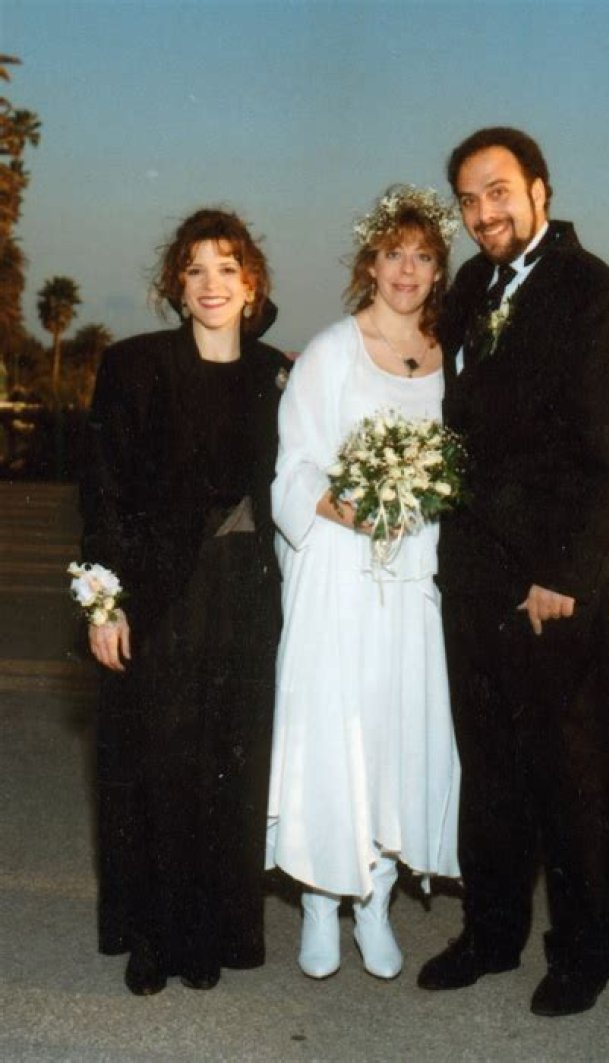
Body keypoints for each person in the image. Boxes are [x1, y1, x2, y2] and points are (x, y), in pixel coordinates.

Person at [417, 128, 609, 1016]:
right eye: (469, 200)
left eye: (499, 191)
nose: (484, 213)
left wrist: (563, 572)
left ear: (540, 190)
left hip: (549, 580)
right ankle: (492, 932)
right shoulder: (471, 290)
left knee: (568, 770)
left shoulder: (593, 293)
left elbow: (602, 448)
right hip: (474, 571)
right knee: (489, 765)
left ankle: (588, 950)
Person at [80, 208, 289, 995]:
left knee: (227, 768)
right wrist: (104, 604)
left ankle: (210, 934)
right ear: (176, 284)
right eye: (195, 268)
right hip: (159, 597)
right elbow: (103, 493)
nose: (211, 283)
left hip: (246, 600)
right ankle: (151, 936)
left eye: (227, 268)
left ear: (251, 284)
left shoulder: (277, 374)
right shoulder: (134, 366)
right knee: (154, 765)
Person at [266, 186, 461, 981]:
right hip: (340, 572)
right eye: (393, 254)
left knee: (395, 731)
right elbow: (294, 462)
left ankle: (375, 896)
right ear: (370, 264)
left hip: (411, 576)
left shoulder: (451, 357)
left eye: (423, 256)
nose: (407, 270)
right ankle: (321, 897)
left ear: (438, 269)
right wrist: (341, 505)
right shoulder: (332, 350)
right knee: (333, 729)